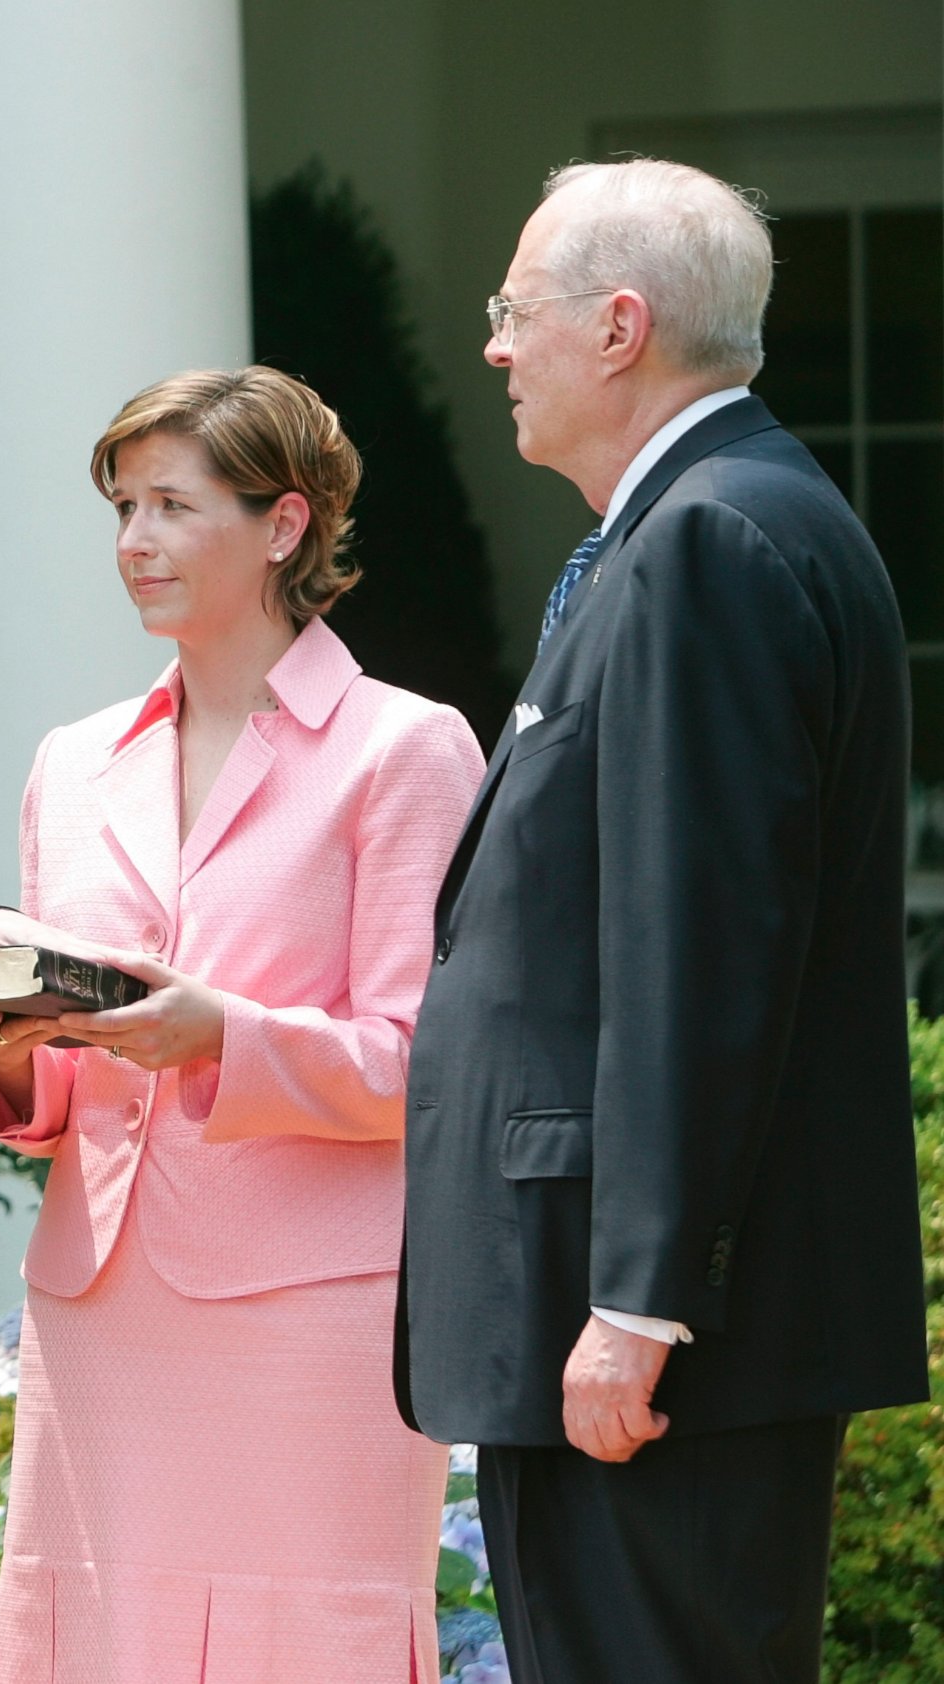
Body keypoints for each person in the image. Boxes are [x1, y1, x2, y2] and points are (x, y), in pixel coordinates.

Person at [397, 158, 930, 1683]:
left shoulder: (706, 541)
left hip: (654, 1344)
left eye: (516, 310)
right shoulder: (711, 523)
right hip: (648, 1327)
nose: (496, 346)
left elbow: (698, 953)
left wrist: (636, 1305)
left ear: (620, 326)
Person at [0, 366, 484, 1681]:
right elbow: (65, 1090)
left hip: (309, 1331)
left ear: (285, 524)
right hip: (99, 1319)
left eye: (173, 506)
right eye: (123, 507)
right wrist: (3, 1047)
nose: (135, 542)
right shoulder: (72, 765)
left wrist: (218, 1037)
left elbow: (429, 1067)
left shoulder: (405, 752)